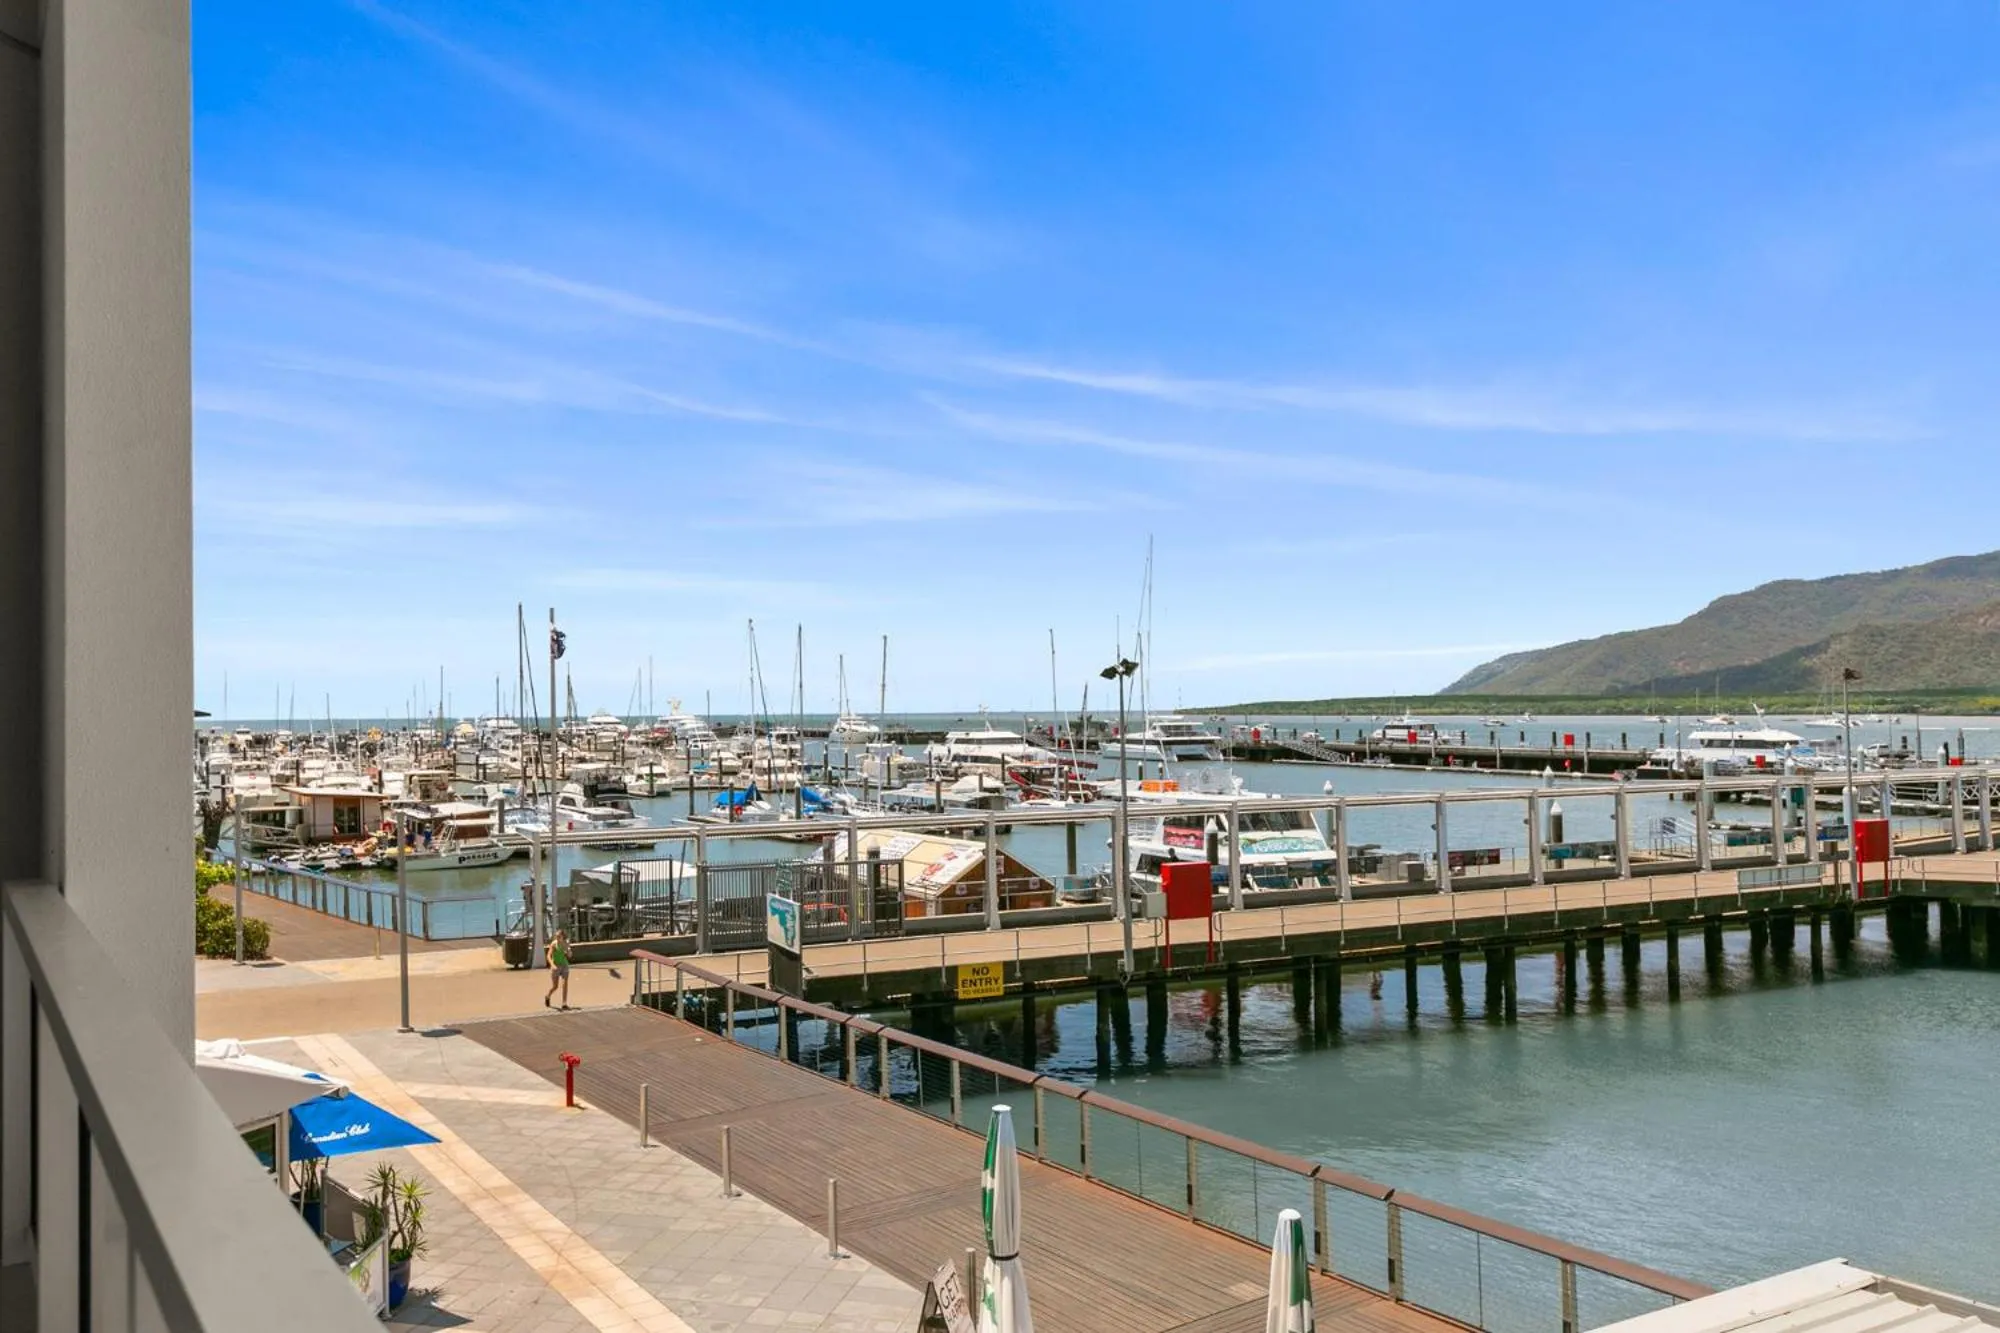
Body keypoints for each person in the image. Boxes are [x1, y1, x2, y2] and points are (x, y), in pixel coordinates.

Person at [544, 928, 571, 1010]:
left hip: (564, 965)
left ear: (563, 937)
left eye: (559, 936)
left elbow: (569, 955)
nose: (557, 938)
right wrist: (552, 965)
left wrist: (568, 952)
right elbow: (548, 956)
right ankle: (547, 996)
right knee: (555, 986)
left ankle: (564, 1003)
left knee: (565, 983)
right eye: (556, 936)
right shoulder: (554, 944)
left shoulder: (566, 943)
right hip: (556, 965)